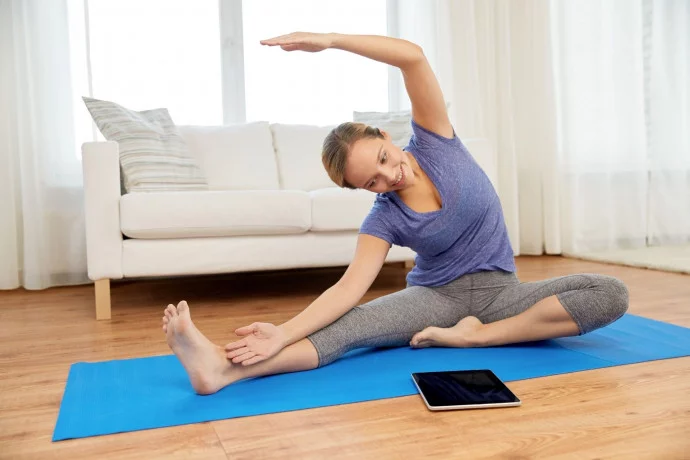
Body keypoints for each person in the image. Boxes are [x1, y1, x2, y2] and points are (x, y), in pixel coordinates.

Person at [161, 32, 629, 395]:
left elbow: (412, 57)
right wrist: (281, 333)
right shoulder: (383, 217)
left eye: (385, 160)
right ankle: (220, 369)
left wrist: (330, 41)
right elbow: (348, 288)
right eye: (372, 182)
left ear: (387, 136)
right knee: (349, 329)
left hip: (500, 295)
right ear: (361, 189)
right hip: (433, 298)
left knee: (609, 293)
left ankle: (478, 337)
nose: (391, 178)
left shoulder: (436, 140)